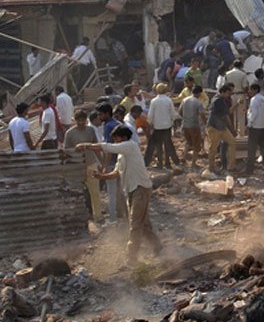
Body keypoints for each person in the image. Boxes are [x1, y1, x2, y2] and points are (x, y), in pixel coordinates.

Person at [78, 125, 162, 264]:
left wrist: (87, 146)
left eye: (116, 138)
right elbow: (117, 173)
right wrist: (101, 176)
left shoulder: (130, 145)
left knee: (135, 224)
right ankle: (158, 248)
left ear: (122, 137)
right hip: (132, 190)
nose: (115, 141)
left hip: (140, 188)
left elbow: (108, 147)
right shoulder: (123, 155)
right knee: (143, 223)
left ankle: (131, 258)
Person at [64, 109, 102, 223]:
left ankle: (98, 217)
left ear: (86, 120)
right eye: (78, 120)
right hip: (77, 167)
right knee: (79, 192)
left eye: (83, 120)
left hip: (91, 164)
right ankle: (82, 217)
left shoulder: (90, 130)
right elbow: (67, 152)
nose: (81, 122)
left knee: (95, 192)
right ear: (75, 120)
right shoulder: (70, 133)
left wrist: (101, 163)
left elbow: (96, 147)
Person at [145, 83, 180, 169]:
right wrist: (173, 121)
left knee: (158, 145)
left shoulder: (154, 101)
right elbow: (173, 113)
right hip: (167, 126)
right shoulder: (168, 100)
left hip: (157, 127)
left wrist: (150, 123)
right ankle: (168, 163)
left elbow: (150, 115)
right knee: (167, 144)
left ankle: (160, 163)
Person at [207, 85, 236, 174]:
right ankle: (211, 168)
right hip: (215, 127)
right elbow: (225, 116)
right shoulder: (218, 101)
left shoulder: (221, 100)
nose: (229, 95)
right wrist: (232, 129)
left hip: (221, 127)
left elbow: (227, 113)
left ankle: (231, 166)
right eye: (228, 93)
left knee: (232, 142)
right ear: (222, 92)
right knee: (213, 148)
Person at [179, 85, 206, 169]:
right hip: (194, 125)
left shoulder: (184, 100)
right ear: (199, 93)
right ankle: (193, 163)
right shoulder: (198, 103)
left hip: (185, 125)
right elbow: (202, 115)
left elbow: (180, 111)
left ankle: (183, 158)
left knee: (188, 142)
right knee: (196, 145)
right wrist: (205, 123)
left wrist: (185, 117)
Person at [246, 83, 264, 175]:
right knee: (263, 147)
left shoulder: (254, 99)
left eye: (250, 89)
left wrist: (249, 124)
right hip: (263, 126)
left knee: (251, 149)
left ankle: (249, 169)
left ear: (255, 90)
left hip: (255, 127)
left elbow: (254, 113)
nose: (249, 92)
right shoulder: (263, 99)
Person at [225, 60, 249, 136]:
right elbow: (245, 87)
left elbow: (225, 86)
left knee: (232, 114)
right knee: (241, 115)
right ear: (241, 66)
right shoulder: (243, 74)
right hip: (240, 95)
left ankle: (233, 133)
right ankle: (241, 133)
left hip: (230, 95)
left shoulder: (227, 74)